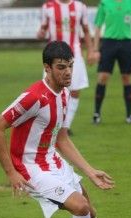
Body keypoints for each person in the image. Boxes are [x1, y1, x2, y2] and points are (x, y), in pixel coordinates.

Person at [0, 41, 120, 218]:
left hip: (52, 160)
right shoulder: (33, 97)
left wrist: (90, 171)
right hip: (30, 169)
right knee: (80, 208)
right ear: (46, 68)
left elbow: (61, 139)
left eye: (70, 66)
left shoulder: (64, 93)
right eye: (61, 67)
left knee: (89, 213)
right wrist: (10, 172)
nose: (68, 72)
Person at [37, 0, 95, 135]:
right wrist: (40, 33)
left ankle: (65, 127)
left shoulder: (80, 7)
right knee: (50, 90)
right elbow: (43, 28)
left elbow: (86, 31)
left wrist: (91, 50)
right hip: (53, 56)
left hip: (75, 55)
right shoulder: (48, 7)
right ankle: (50, 125)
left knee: (75, 91)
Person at [91, 0, 131, 124]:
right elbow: (98, 26)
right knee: (103, 77)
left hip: (126, 44)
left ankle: (129, 115)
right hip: (108, 43)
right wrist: (95, 49)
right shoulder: (104, 3)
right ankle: (96, 113)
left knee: (126, 78)